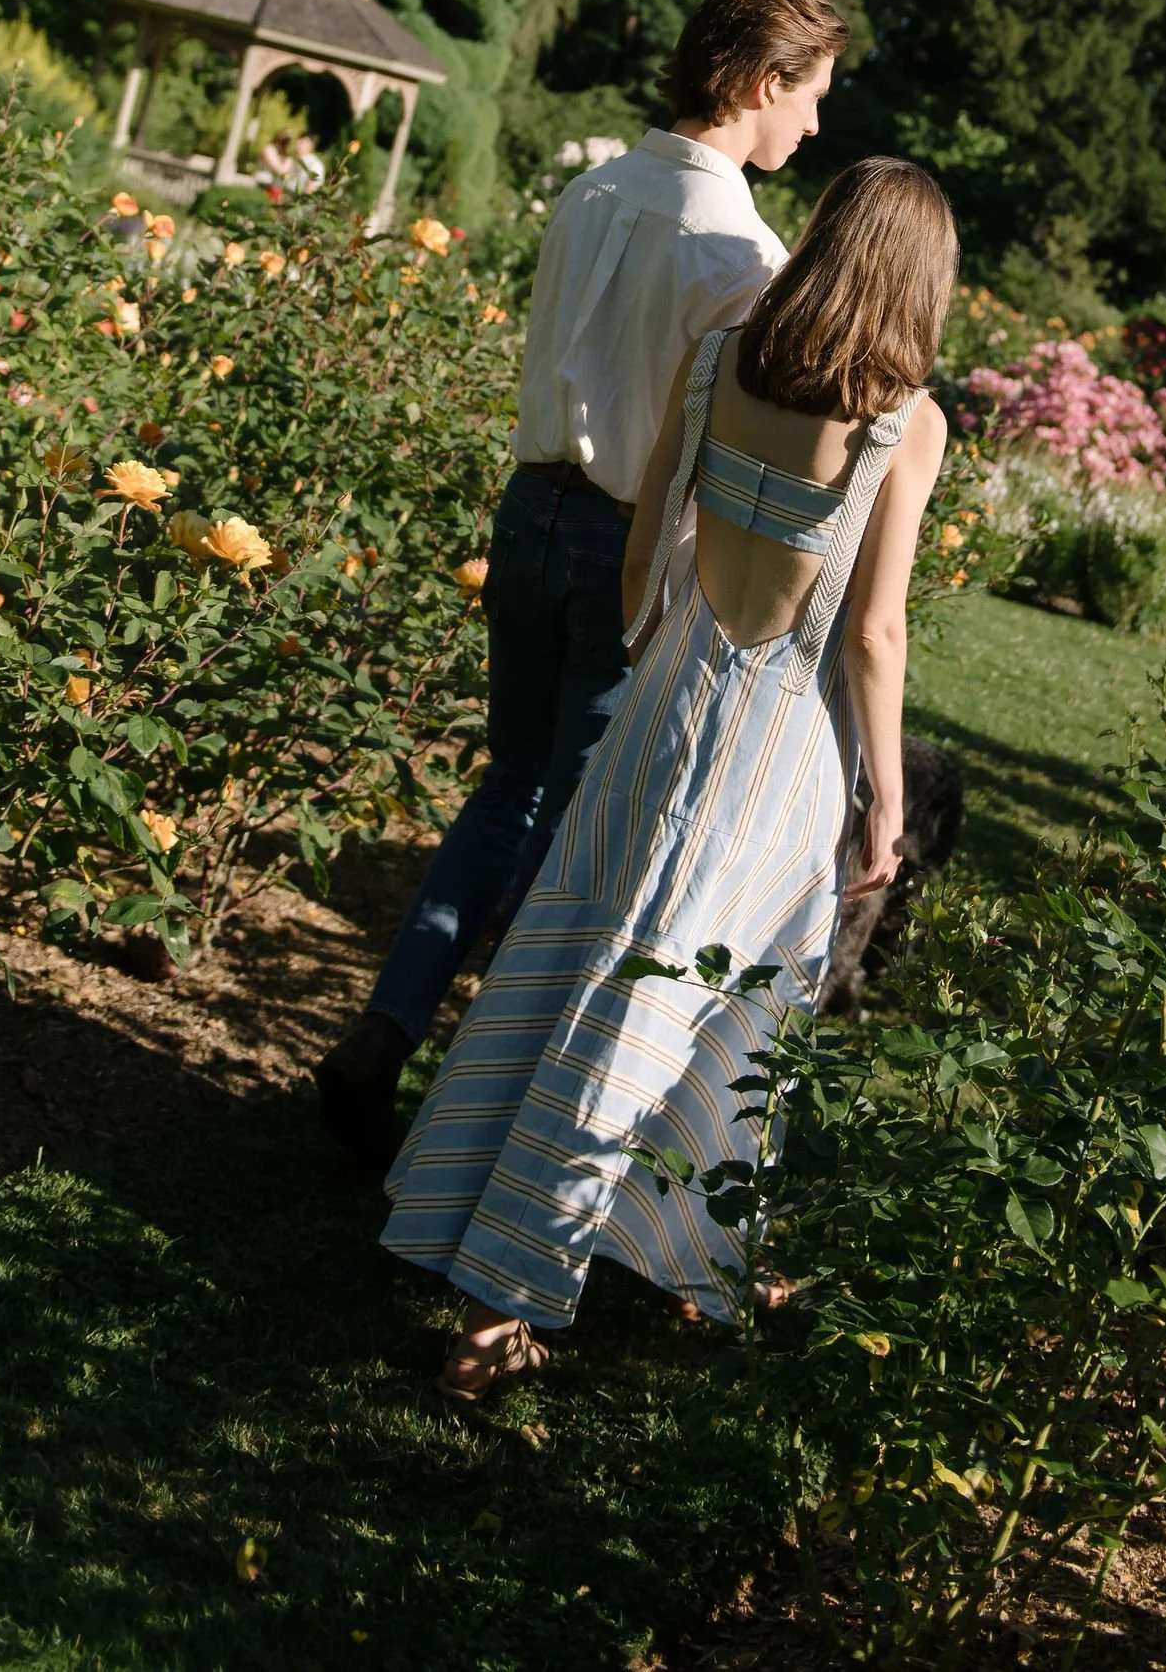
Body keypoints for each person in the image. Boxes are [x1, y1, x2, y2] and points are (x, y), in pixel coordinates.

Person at [380, 155, 956, 1401]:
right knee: (682, 998)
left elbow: (650, 539)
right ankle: (498, 1310)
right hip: (780, 746)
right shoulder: (902, 421)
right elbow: (873, 632)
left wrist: (650, 652)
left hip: (668, 695)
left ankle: (683, 1252)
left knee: (611, 958)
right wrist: (886, 803)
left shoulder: (718, 358)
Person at [314, 0, 850, 1164]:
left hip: (525, 516)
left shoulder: (591, 189)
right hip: (621, 545)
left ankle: (388, 1026)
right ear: (765, 85)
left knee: (509, 788)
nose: (814, 126)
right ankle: (482, 1098)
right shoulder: (739, 253)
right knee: (582, 831)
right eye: (809, 98)